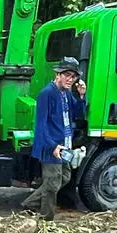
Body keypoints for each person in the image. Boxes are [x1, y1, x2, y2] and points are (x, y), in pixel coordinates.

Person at [21, 57, 83, 220]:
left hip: (65, 144)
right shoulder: (47, 93)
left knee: (65, 177)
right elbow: (40, 125)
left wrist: (81, 96)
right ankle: (46, 219)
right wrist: (52, 145)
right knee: (52, 185)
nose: (70, 79)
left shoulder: (67, 93)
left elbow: (77, 113)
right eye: (67, 75)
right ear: (57, 74)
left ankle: (29, 204)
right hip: (52, 146)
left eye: (73, 76)